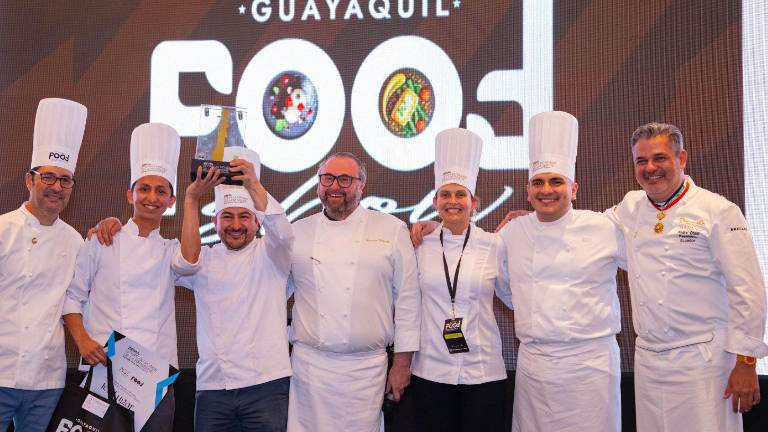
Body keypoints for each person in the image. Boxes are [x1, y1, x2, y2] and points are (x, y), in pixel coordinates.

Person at [413, 112, 625, 431]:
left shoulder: (603, 227)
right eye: (538, 183)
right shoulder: (512, 233)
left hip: (589, 366)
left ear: (574, 188)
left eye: (556, 181)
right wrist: (432, 227)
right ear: (528, 190)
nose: (546, 190)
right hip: (535, 366)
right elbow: (510, 293)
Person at [608, 122, 767, 431]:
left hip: (704, 361)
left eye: (660, 158)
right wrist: (538, 221)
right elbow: (586, 233)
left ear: (681, 158)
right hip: (649, 363)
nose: (650, 168)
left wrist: (747, 362)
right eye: (641, 161)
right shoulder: (630, 207)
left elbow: (747, 290)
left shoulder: (718, 210)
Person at [63, 122, 193, 431]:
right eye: (144, 188)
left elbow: (190, 261)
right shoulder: (102, 240)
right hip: (103, 369)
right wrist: (82, 340)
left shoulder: (170, 251)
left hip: (154, 376)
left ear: (171, 201)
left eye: (161, 191)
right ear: (130, 194)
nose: (152, 197)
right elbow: (73, 297)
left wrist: (193, 199)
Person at [286, 152, 420, 432]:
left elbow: (408, 301)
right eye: (328, 178)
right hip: (310, 369)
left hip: (366, 370)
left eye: (345, 179)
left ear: (362, 186)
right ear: (318, 185)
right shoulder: (296, 232)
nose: (335, 186)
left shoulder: (392, 230)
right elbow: (273, 294)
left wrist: (402, 365)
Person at [174, 148, 294, 431]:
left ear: (257, 221)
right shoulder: (205, 258)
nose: (236, 225)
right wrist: (191, 199)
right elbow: (186, 263)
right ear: (214, 221)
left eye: (244, 217)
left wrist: (253, 182)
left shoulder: (272, 254)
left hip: (267, 384)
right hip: (213, 387)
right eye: (227, 217)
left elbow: (285, 233)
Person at [408, 128, 512, 432]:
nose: (452, 201)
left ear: (474, 201)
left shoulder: (494, 245)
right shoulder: (418, 245)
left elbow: (512, 297)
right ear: (434, 200)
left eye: (460, 194)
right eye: (445, 194)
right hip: (430, 370)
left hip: (484, 373)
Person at [0, 98, 87, 430]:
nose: (56, 187)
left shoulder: (75, 241)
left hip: (46, 379)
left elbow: (74, 299)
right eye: (48, 177)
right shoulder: (3, 229)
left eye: (65, 180)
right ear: (29, 180)